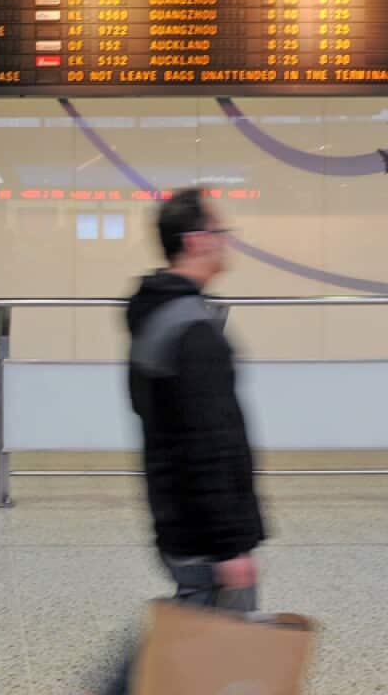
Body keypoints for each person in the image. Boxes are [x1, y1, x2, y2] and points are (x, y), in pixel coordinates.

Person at [101, 188, 266, 694]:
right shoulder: (191, 328)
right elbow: (208, 442)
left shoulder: (157, 314)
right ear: (195, 241)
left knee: (196, 625)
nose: (226, 242)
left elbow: (151, 412)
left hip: (176, 507)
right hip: (202, 527)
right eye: (219, 232)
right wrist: (231, 545)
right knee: (208, 625)